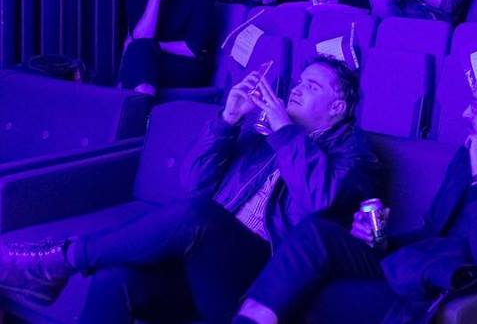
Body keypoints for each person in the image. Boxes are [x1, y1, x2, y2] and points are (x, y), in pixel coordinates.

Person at [0, 56, 382, 324]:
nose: (297, 89)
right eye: (299, 80)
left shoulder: (356, 153)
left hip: (261, 277)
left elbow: (318, 199)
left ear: (338, 107)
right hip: (205, 265)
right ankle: (53, 268)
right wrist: (229, 119)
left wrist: (284, 130)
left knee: (197, 215)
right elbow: (195, 182)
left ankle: (54, 261)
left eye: (312, 86)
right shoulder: (263, 133)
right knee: (113, 280)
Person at [232, 69, 477, 324]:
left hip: (448, 281)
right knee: (314, 233)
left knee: (313, 293)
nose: (465, 114)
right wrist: (379, 240)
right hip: (414, 264)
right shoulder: (465, 155)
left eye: (475, 106)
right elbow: (431, 232)